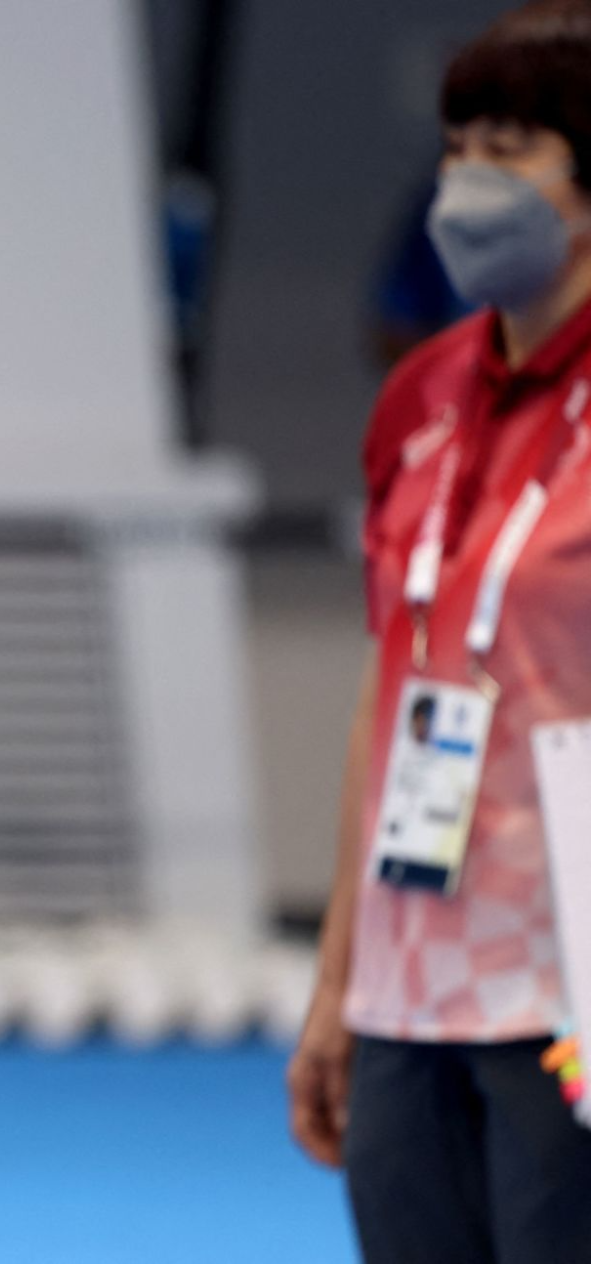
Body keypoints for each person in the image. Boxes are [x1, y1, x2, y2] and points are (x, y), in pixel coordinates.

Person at [287, 4, 591, 1260]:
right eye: (455, 142)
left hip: (570, 978)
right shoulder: (418, 394)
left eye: (509, 147)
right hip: (412, 976)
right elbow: (391, 683)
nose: (466, 178)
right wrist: (334, 986)